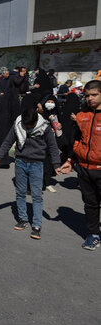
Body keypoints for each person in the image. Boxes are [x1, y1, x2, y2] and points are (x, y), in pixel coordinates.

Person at [0, 107, 61, 240]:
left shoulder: (44, 127)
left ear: (36, 121)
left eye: (30, 125)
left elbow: (53, 146)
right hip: (20, 162)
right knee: (20, 192)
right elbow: (7, 142)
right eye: (25, 125)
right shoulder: (18, 124)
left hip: (37, 165)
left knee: (36, 195)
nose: (27, 128)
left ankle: (37, 226)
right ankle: (23, 219)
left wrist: (56, 164)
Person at [58, 80, 101, 250]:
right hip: (84, 168)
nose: (90, 98)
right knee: (90, 204)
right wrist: (70, 161)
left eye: (94, 95)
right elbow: (76, 142)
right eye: (87, 95)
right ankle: (93, 235)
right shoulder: (82, 116)